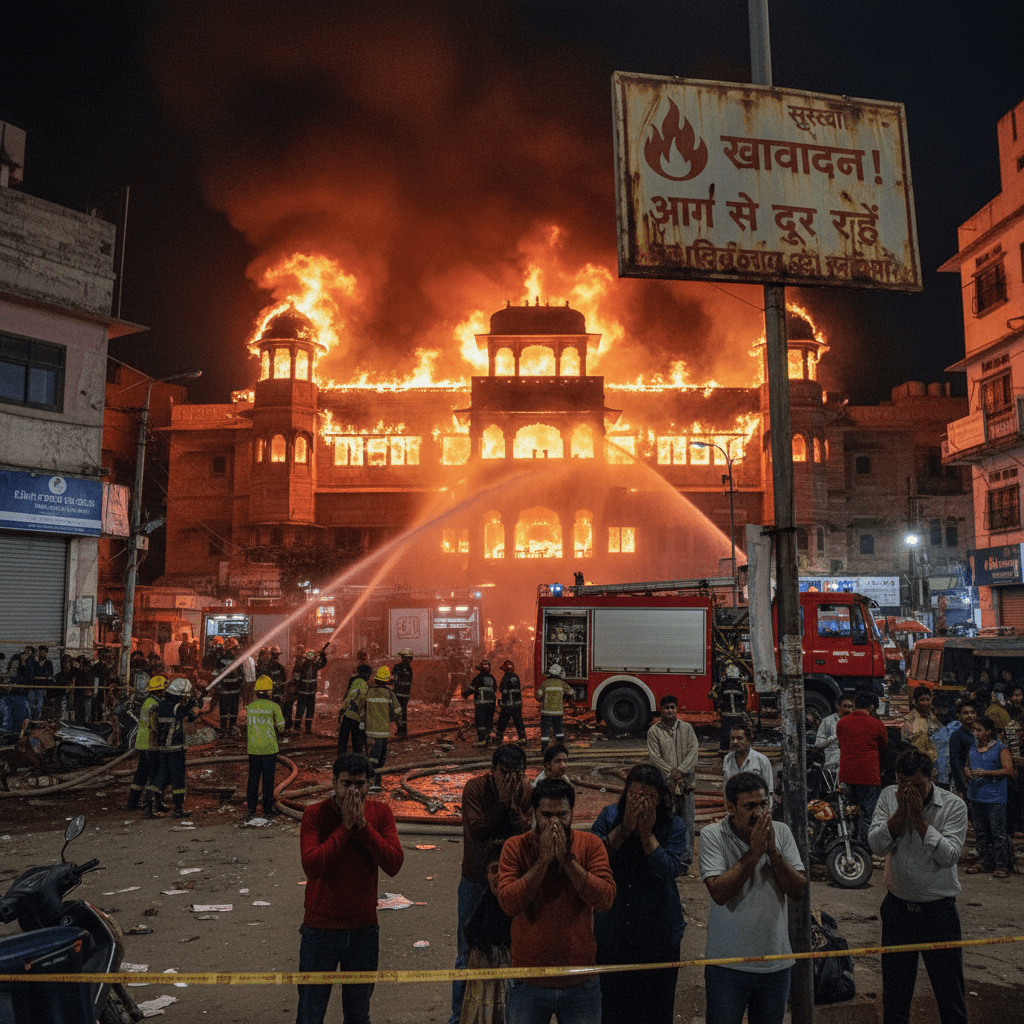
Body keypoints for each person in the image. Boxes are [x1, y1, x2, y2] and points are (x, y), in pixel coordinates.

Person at [296, 752, 404, 1024]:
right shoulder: (315, 814)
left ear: (370, 784)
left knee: (358, 1014)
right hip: (320, 929)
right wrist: (345, 828)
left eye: (359, 784)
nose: (353, 791)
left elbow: (393, 863)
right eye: (346, 784)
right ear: (334, 783)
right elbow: (312, 866)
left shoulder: (380, 813)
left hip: (363, 929)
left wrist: (364, 828)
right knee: (310, 1012)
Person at [497, 777, 615, 1024]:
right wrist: (542, 861)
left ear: (572, 813)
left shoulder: (590, 845)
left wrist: (567, 860)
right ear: (534, 814)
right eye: (546, 815)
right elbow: (508, 904)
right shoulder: (515, 847)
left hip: (580, 979)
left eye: (561, 815)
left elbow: (605, 899)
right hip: (527, 979)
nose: (554, 822)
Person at [868, 748, 969, 1024]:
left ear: (931, 776)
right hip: (898, 910)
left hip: (939, 913)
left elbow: (949, 856)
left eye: (916, 785)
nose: (908, 790)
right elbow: (876, 845)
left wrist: (921, 822)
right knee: (896, 994)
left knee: (950, 994)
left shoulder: (953, 806)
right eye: (903, 783)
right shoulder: (890, 796)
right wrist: (901, 815)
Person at [699, 771, 806, 1024]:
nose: (759, 813)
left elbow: (799, 890)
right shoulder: (713, 835)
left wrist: (773, 853)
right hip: (727, 965)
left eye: (763, 804)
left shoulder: (781, 832)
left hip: (775, 963)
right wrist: (755, 853)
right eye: (750, 806)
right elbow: (719, 892)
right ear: (730, 808)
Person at [591, 764, 688, 1024]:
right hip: (614, 936)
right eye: (635, 795)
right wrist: (624, 829)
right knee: (613, 1011)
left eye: (649, 797)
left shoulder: (673, 825)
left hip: (659, 938)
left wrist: (646, 835)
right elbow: (593, 860)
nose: (641, 802)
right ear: (626, 793)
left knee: (656, 1012)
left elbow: (668, 870)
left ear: (660, 800)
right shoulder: (610, 816)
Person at [451, 743, 532, 1024]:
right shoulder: (474, 789)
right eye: (505, 774)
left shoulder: (526, 792)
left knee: (514, 951)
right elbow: (479, 830)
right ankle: (457, 1017)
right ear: (493, 771)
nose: (512, 780)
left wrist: (511, 804)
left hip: (512, 880)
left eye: (517, 774)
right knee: (467, 953)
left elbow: (525, 833)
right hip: (475, 879)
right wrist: (501, 803)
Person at [460, 840, 514, 1024]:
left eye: (503, 869)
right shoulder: (484, 903)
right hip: (485, 975)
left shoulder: (516, 905)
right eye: (494, 870)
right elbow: (470, 932)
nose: (498, 876)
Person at [647, 693, 699, 864]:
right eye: (666, 708)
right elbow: (655, 757)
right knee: (666, 821)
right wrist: (671, 773)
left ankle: (685, 858)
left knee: (687, 822)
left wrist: (681, 771)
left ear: (677, 709)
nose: (669, 711)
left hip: (686, 784)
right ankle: (669, 858)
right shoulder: (654, 731)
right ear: (660, 710)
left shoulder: (687, 729)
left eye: (672, 707)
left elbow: (693, 752)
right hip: (665, 786)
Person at [836, 690, 888, 844]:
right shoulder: (877, 724)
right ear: (871, 707)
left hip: (846, 774)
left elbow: (841, 744)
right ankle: (865, 846)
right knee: (868, 814)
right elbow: (883, 746)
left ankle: (848, 842)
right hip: (869, 775)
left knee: (848, 811)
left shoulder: (842, 723)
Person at [964, 715, 1013, 878]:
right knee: (981, 832)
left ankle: (1001, 865)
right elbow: (967, 765)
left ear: (989, 732)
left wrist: (986, 773)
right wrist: (968, 772)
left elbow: (1008, 770)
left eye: (979, 730)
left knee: (997, 831)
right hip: (976, 795)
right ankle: (984, 861)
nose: (975, 733)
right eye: (974, 730)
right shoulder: (973, 747)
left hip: (995, 798)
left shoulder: (1000, 748)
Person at [146, 677, 200, 819]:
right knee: (178, 779)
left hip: (163, 749)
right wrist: (193, 702)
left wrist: (193, 706)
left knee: (162, 775)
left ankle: (152, 804)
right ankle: (178, 808)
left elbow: (189, 717)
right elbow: (184, 711)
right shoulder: (175, 707)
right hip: (175, 749)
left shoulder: (162, 705)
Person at [245, 674, 285, 820]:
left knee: (253, 780)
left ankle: (251, 810)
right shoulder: (274, 707)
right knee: (268, 781)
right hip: (269, 748)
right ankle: (267, 811)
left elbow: (245, 724)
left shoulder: (250, 707)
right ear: (269, 692)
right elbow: (281, 727)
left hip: (253, 748)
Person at [127, 675, 166, 812]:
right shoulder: (155, 704)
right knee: (154, 774)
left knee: (140, 774)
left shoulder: (147, 701)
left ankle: (132, 803)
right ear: (160, 690)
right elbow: (155, 725)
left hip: (142, 742)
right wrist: (164, 737)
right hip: (151, 743)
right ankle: (151, 803)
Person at [362, 665, 401, 780]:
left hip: (369, 730)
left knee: (372, 756)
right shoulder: (389, 693)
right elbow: (398, 710)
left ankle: (372, 780)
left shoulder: (369, 692)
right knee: (380, 758)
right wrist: (392, 719)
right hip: (382, 731)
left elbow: (363, 710)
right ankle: (374, 782)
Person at [722, 722, 774, 808]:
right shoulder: (728, 759)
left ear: (749, 740)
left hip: (756, 809)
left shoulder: (761, 760)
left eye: (739, 738)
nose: (735, 742)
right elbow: (726, 787)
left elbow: (769, 790)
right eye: (732, 738)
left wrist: (767, 811)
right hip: (736, 810)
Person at [534, 663, 574, 754]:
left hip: (546, 712)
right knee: (559, 730)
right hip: (558, 713)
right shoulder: (562, 684)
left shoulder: (545, 683)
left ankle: (544, 749)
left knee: (545, 732)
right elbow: (571, 691)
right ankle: (560, 747)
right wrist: (565, 696)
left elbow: (539, 694)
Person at [212, 638, 245, 737]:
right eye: (235, 649)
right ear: (232, 649)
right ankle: (232, 728)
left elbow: (215, 675)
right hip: (235, 691)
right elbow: (241, 676)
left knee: (224, 711)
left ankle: (223, 730)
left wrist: (218, 687)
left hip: (224, 691)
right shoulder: (237, 660)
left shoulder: (220, 660)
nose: (237, 651)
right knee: (233, 711)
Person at [813, 696, 853, 775]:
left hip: (850, 762)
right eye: (845, 706)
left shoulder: (854, 722)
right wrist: (834, 737)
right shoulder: (827, 722)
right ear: (838, 706)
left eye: (850, 707)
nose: (848, 710)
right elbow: (818, 744)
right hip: (832, 763)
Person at [294, 644, 329, 735]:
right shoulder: (305, 665)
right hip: (304, 692)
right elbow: (297, 673)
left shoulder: (313, 665)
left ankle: (305, 729)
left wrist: (322, 655)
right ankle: (299, 728)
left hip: (309, 692)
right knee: (302, 710)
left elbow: (323, 663)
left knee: (308, 710)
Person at [338, 663, 371, 756]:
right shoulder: (366, 684)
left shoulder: (353, 680)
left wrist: (342, 710)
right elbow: (366, 702)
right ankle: (358, 757)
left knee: (343, 739)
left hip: (348, 713)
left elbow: (348, 695)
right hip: (358, 717)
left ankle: (341, 757)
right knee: (357, 740)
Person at [902, 686, 941, 761]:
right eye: (922, 700)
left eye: (928, 700)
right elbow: (905, 743)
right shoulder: (910, 719)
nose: (926, 703)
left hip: (934, 759)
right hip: (916, 760)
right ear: (916, 702)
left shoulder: (933, 718)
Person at [947, 700, 977, 800]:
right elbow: (955, 761)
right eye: (965, 713)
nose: (969, 715)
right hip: (963, 780)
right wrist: (962, 787)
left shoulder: (979, 733)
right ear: (958, 715)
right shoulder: (957, 735)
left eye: (972, 712)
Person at [465, 658, 498, 748]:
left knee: (480, 722)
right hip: (491, 704)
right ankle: (489, 737)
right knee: (489, 720)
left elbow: (471, 688)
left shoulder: (479, 678)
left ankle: (482, 739)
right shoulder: (492, 678)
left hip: (481, 704)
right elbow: (495, 688)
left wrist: (465, 694)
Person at [495, 659, 527, 745]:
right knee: (518, 721)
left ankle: (498, 737)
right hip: (517, 705)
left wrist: (500, 703)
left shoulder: (505, 678)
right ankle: (522, 737)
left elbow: (502, 690)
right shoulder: (516, 677)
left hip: (507, 705)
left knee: (502, 721)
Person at [391, 648, 414, 737]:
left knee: (397, 712)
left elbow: (392, 679)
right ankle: (403, 730)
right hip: (405, 695)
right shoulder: (410, 669)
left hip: (397, 693)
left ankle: (400, 730)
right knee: (403, 711)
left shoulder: (397, 667)